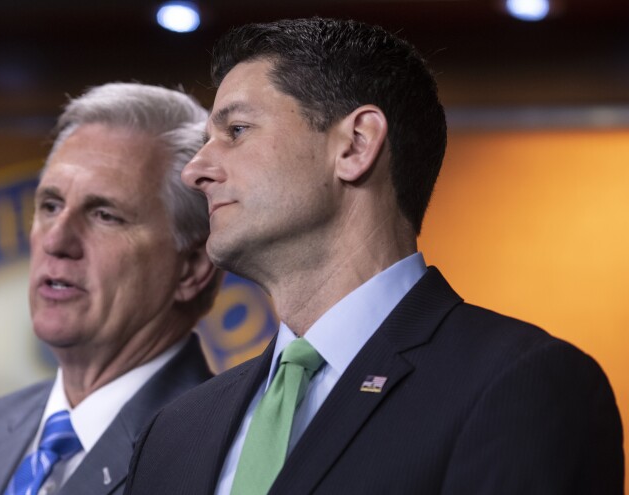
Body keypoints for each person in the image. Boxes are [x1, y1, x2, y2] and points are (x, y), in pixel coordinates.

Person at [126, 18, 624, 494]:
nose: (195, 171)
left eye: (236, 130)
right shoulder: (173, 433)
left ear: (356, 145)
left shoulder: (521, 388)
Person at [0, 82, 220, 495]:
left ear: (190, 268)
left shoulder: (227, 457)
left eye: (105, 215)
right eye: (50, 206)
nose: (56, 240)